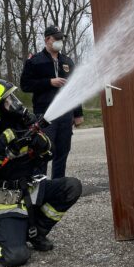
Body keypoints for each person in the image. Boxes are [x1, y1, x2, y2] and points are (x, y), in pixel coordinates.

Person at [0, 78, 82, 267]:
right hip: (5, 201)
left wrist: (43, 144)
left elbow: (49, 154)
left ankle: (36, 231)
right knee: (16, 257)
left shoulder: (23, 125)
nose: (15, 103)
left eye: (12, 97)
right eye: (7, 101)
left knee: (71, 187)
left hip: (31, 190)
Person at [20, 25, 84, 179]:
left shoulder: (67, 61)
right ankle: (39, 189)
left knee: (62, 152)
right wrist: (49, 82)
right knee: (43, 151)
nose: (60, 41)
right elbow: (25, 85)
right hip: (44, 115)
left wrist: (78, 113)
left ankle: (58, 186)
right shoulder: (34, 61)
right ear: (47, 40)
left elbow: (74, 89)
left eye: (62, 39)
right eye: (57, 39)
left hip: (65, 114)